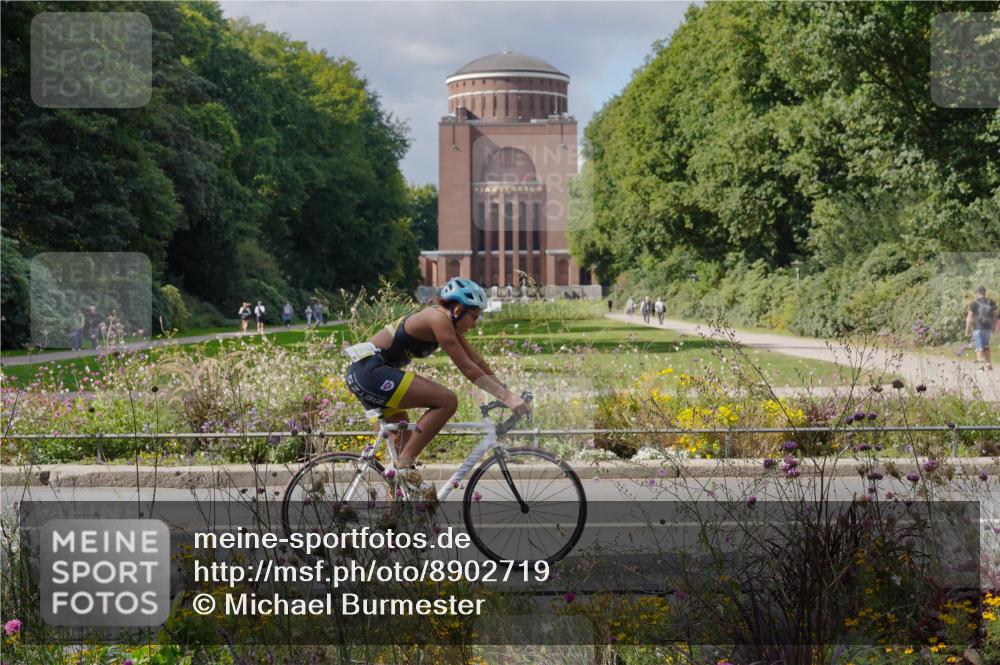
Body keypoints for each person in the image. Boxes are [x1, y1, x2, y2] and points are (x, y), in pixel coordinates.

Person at [343, 277, 529, 490]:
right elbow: (466, 367)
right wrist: (507, 398)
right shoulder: (437, 318)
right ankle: (404, 466)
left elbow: (476, 361)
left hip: (370, 375)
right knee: (447, 401)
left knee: (402, 466)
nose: (476, 323)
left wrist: (507, 393)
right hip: (371, 373)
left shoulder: (449, 323)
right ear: (458, 309)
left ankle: (396, 517)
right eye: (474, 316)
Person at [966, 286, 999, 371]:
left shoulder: (974, 303)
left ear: (977, 293)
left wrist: (967, 329)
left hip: (978, 328)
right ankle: (988, 363)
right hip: (988, 328)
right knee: (986, 346)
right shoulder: (991, 302)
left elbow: (969, 317)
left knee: (978, 347)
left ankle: (981, 367)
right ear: (984, 293)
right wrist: (994, 327)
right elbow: (995, 316)